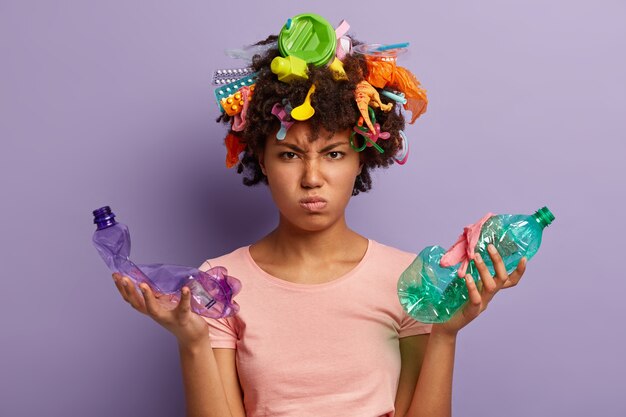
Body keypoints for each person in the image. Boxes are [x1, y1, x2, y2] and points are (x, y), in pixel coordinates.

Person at [110, 14, 528, 417]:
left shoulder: (409, 280)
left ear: (361, 159)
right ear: (262, 159)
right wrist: (193, 343)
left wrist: (445, 333)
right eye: (289, 155)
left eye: (333, 154)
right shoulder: (217, 281)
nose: (312, 178)